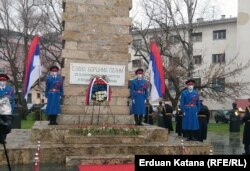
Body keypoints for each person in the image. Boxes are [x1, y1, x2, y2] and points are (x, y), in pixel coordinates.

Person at [0, 74, 15, 144]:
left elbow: (12, 99)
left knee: (7, 125)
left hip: (7, 111)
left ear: (6, 81)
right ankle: (2, 138)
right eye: (1, 80)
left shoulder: (10, 89)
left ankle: (3, 137)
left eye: (3, 80)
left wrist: (11, 109)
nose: (2, 81)